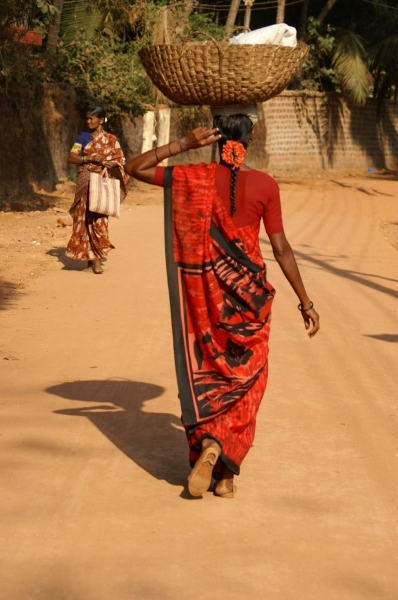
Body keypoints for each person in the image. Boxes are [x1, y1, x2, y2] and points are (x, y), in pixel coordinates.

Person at [125, 105, 320, 499]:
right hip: (250, 305)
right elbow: (281, 250)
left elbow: (134, 167)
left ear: (214, 138)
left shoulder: (191, 177)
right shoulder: (266, 185)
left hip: (204, 305)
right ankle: (226, 472)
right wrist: (306, 302)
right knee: (248, 383)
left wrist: (182, 145)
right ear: (249, 140)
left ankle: (209, 446)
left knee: (210, 377)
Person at [66, 105, 129, 274]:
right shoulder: (83, 138)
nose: (88, 121)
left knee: (99, 220)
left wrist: (112, 163)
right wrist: (89, 158)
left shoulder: (111, 139)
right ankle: (89, 260)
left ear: (101, 120)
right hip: (85, 181)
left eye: (91, 118)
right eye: (87, 118)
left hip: (102, 182)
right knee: (84, 219)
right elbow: (71, 157)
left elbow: (120, 160)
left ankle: (97, 260)